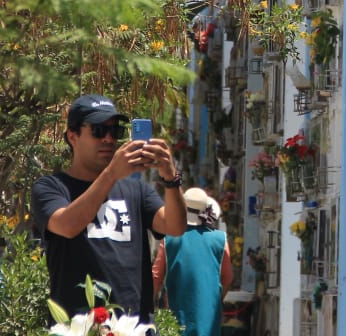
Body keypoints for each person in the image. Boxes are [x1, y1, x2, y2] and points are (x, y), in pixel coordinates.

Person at [32, 94, 187, 321]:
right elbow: (67, 225)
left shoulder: (137, 190)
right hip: (78, 329)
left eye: (114, 132)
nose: (108, 139)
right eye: (98, 130)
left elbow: (175, 226)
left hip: (135, 328)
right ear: (72, 136)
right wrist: (111, 174)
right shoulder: (51, 187)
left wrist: (170, 177)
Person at [152, 188, 232, 336]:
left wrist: (149, 309)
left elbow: (156, 278)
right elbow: (226, 279)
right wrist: (213, 299)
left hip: (175, 314)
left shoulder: (169, 239)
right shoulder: (221, 240)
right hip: (209, 317)